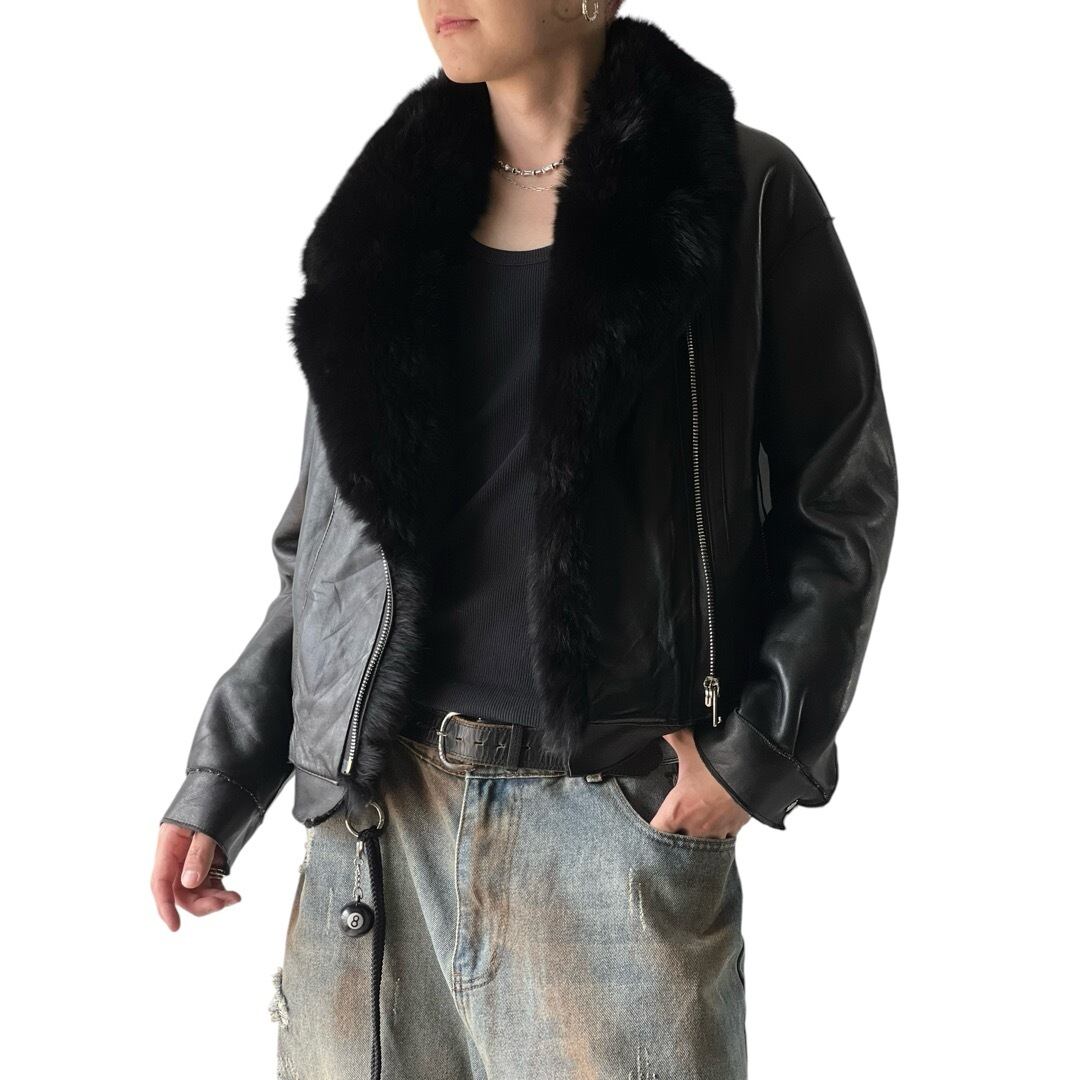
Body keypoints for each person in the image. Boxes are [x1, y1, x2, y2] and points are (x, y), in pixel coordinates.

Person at [151, 3, 898, 1077]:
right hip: (379, 827)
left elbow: (843, 495)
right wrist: (226, 774)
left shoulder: (738, 192)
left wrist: (757, 758)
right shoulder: (384, 223)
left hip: (612, 835)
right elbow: (326, 556)